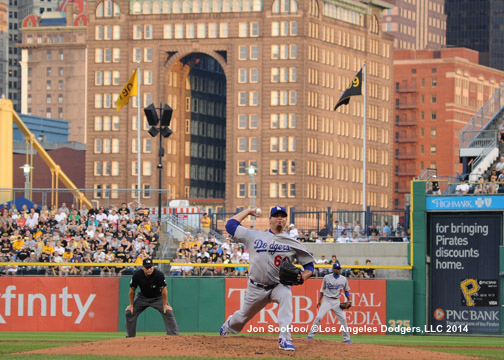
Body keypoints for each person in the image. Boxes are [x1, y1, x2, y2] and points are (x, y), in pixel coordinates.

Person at [219, 206, 315, 351]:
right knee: (242, 317)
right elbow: (230, 226)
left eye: (282, 216)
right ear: (269, 219)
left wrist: (302, 277)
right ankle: (228, 326)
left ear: (286, 220)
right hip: (256, 287)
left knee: (286, 295)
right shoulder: (253, 235)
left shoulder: (292, 242)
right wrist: (247, 212)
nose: (280, 218)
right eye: (276, 216)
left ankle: (285, 338)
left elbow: (309, 267)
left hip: (278, 285)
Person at [125, 258, 179, 337]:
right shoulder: (137, 275)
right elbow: (132, 290)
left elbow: (164, 291)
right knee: (130, 312)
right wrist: (131, 305)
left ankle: (174, 336)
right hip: (142, 298)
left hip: (158, 298)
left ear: (153, 267)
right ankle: (130, 337)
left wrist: (165, 305)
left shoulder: (159, 274)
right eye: (147, 267)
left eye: (150, 267)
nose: (149, 269)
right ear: (142, 267)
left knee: (168, 311)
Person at [307, 261, 352, 343]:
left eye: (338, 269)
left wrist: (349, 300)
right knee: (318, 317)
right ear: (332, 269)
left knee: (343, 319)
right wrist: (319, 300)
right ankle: (310, 335)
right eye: (336, 268)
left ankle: (346, 339)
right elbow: (322, 289)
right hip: (327, 300)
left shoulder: (343, 279)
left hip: (336, 302)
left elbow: (346, 291)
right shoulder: (326, 277)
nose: (337, 270)